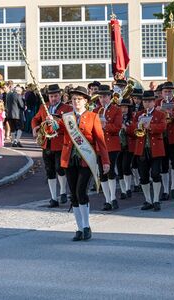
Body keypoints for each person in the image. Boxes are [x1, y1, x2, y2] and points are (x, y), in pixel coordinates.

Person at [47, 86, 110, 241]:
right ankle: (79, 228)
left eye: (79, 99)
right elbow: (57, 129)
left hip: (86, 159)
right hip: (69, 159)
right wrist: (52, 123)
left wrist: (106, 161)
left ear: (86, 101)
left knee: (81, 192)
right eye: (74, 99)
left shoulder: (93, 117)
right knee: (73, 195)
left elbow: (101, 141)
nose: (76, 102)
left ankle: (87, 226)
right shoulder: (67, 117)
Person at [32, 84, 73, 208]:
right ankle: (53, 198)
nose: (53, 98)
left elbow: (70, 126)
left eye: (55, 96)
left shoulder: (66, 108)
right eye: (51, 96)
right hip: (46, 143)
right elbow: (35, 119)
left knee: (59, 169)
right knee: (49, 171)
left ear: (60, 95)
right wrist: (35, 128)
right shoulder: (44, 107)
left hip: (60, 143)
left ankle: (63, 192)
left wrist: (56, 122)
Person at [131, 91, 166, 211]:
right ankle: (148, 200)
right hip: (141, 149)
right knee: (143, 176)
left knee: (156, 174)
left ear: (154, 102)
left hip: (155, 149)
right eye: (145, 101)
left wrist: (150, 126)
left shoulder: (160, 114)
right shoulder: (138, 114)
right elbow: (131, 130)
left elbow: (163, 127)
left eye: (149, 101)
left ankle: (156, 200)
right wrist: (137, 125)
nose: (147, 103)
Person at [94, 85, 122, 211]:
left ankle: (113, 198)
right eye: (100, 97)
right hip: (99, 145)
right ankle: (107, 200)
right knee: (102, 173)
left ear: (110, 97)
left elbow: (117, 127)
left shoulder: (116, 110)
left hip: (112, 145)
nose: (102, 99)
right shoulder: (95, 111)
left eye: (105, 96)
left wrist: (105, 125)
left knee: (110, 171)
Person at [155, 81, 174, 200]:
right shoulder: (157, 102)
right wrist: (158, 110)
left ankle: (173, 187)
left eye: (170, 91)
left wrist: (168, 112)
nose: (167, 93)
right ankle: (166, 190)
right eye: (165, 91)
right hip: (162, 136)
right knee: (163, 164)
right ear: (161, 93)